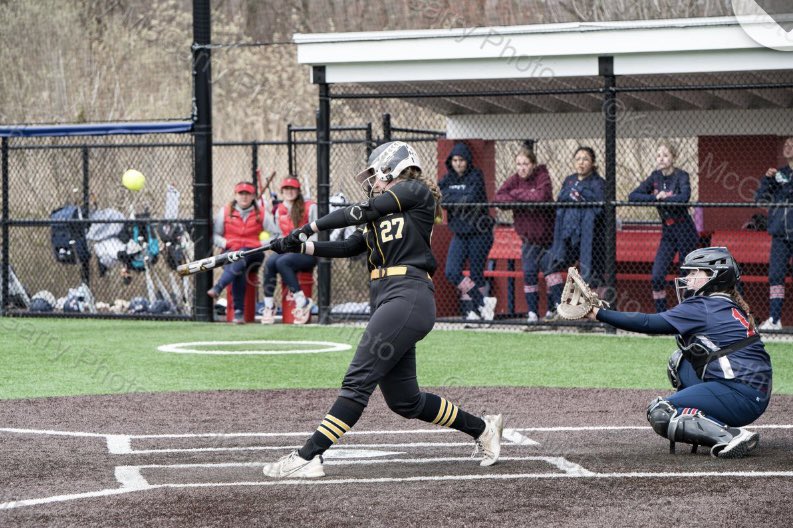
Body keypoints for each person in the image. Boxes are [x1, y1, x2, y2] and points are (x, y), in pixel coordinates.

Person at [260, 141, 504, 478]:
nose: (373, 182)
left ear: (394, 167)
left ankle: (309, 455)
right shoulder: (383, 210)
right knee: (405, 401)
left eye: (376, 176)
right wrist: (301, 244)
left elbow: (362, 211)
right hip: (389, 299)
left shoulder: (416, 191)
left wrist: (308, 227)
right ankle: (482, 428)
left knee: (358, 379)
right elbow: (349, 245)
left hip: (409, 294)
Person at [585, 247, 771, 459]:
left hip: (741, 395)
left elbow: (647, 323)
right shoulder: (727, 304)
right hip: (752, 391)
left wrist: (597, 313)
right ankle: (711, 422)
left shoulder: (704, 306)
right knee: (679, 362)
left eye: (695, 273)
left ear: (715, 277)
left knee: (662, 412)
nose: (688, 278)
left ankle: (731, 436)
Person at [629, 142, 698, 313]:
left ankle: (686, 315)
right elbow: (633, 196)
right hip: (668, 232)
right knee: (657, 275)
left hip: (684, 230)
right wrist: (655, 198)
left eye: (666, 155)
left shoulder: (681, 175)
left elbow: (684, 197)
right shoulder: (655, 177)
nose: (661, 158)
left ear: (674, 158)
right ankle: (661, 315)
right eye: (658, 155)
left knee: (686, 275)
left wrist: (666, 198)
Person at [541, 146, 605, 319]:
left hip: (591, 239)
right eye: (578, 159)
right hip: (568, 236)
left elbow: (600, 209)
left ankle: (596, 315)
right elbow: (561, 199)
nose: (581, 162)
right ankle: (559, 305)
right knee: (549, 263)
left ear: (592, 162)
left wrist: (582, 195)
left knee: (592, 274)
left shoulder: (598, 182)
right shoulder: (569, 180)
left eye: (585, 159)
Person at [438, 142, 497, 323]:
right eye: (455, 160)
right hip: (460, 233)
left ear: (467, 161)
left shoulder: (476, 175)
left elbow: (470, 199)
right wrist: (456, 198)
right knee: (452, 272)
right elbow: (441, 199)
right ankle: (484, 302)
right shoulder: (447, 179)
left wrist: (452, 198)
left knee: (476, 275)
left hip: (480, 233)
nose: (458, 164)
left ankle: (474, 312)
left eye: (461, 160)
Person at [494, 146, 554, 323]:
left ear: (533, 164)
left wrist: (516, 195)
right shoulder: (514, 180)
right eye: (519, 164)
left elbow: (542, 196)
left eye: (525, 164)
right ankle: (533, 314)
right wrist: (526, 194)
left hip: (548, 238)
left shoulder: (542, 176)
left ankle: (553, 311)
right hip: (528, 240)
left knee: (552, 273)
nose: (522, 168)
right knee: (529, 274)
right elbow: (499, 198)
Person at [207, 181, 269, 324]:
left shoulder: (261, 213)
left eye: (247, 194)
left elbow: (276, 234)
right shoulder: (226, 211)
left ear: (253, 196)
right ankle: (239, 313)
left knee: (241, 258)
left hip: (255, 254)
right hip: (231, 252)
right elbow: (215, 235)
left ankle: (218, 287)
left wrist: (260, 244)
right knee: (239, 263)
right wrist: (226, 243)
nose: (244, 197)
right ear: (235, 195)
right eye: (241, 194)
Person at [260, 178, 318, 325]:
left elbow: (318, 232)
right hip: (289, 251)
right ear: (282, 192)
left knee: (282, 262)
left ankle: (302, 302)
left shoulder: (310, 206)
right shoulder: (279, 210)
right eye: (286, 189)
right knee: (270, 262)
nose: (289, 192)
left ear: (298, 191)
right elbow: (279, 235)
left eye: (292, 189)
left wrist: (302, 245)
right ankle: (269, 305)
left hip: (309, 251)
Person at [756, 136, 793, 330]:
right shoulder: (779, 173)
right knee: (776, 275)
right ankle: (775, 319)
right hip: (780, 234)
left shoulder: (784, 178)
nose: (788, 148)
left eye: (792, 145)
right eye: (786, 145)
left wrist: (784, 183)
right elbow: (760, 199)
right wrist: (768, 179)